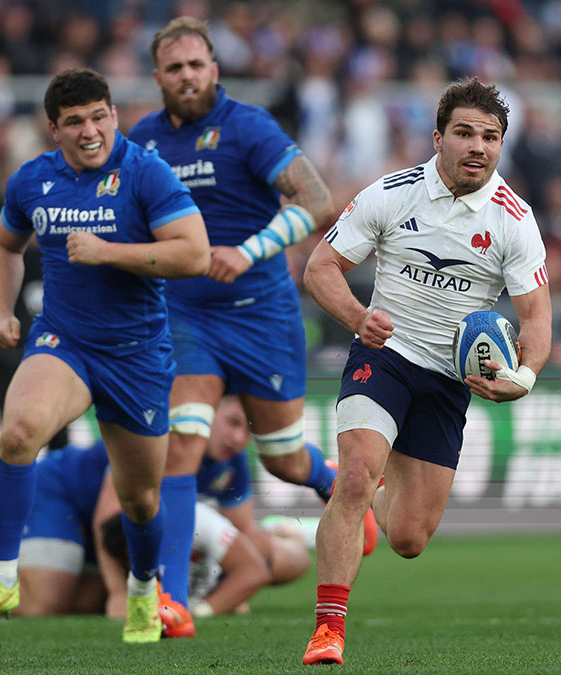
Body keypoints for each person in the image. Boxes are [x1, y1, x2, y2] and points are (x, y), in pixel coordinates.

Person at [0, 68, 210, 645]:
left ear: (113, 115)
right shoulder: (32, 181)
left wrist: (109, 252)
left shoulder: (146, 174)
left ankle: (144, 590)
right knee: (19, 434)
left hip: (138, 356)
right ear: (54, 129)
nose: (89, 131)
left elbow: (194, 254)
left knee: (139, 499)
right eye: (74, 122)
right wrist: (1, 311)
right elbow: (2, 244)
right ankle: (3, 577)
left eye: (98, 117)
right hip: (64, 341)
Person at [126, 17, 374, 620]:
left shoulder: (248, 127)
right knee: (182, 446)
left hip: (262, 313)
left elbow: (317, 201)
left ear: (214, 69)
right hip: (185, 313)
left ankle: (328, 478)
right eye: (175, 67)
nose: (187, 76)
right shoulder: (141, 142)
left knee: (282, 458)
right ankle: (174, 605)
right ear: (158, 77)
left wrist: (249, 251)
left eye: (196, 65)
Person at [299, 77, 552, 665]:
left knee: (409, 539)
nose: (477, 146)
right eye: (465, 132)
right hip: (383, 356)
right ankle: (329, 629)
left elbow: (536, 317)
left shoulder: (515, 220)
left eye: (490, 137)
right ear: (438, 138)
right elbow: (320, 268)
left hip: (448, 380)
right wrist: (359, 318)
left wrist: (525, 377)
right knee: (357, 475)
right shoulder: (390, 194)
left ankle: (362, 501)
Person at [0, 438, 312, 624]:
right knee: (43, 603)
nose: (239, 437)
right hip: (66, 496)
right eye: (233, 422)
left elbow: (245, 546)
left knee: (280, 558)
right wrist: (117, 594)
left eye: (245, 428)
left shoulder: (231, 456)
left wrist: (226, 593)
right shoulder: (162, 439)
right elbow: (108, 520)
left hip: (122, 537)